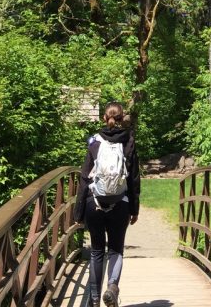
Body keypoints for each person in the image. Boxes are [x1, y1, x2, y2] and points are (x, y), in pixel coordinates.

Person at [74, 101, 140, 307]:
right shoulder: (129, 141)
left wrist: (79, 212)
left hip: (95, 203)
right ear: (123, 118)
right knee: (116, 250)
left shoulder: (94, 141)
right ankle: (112, 287)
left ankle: (93, 299)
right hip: (120, 203)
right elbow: (134, 179)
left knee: (96, 251)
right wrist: (134, 209)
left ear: (104, 118)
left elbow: (85, 177)